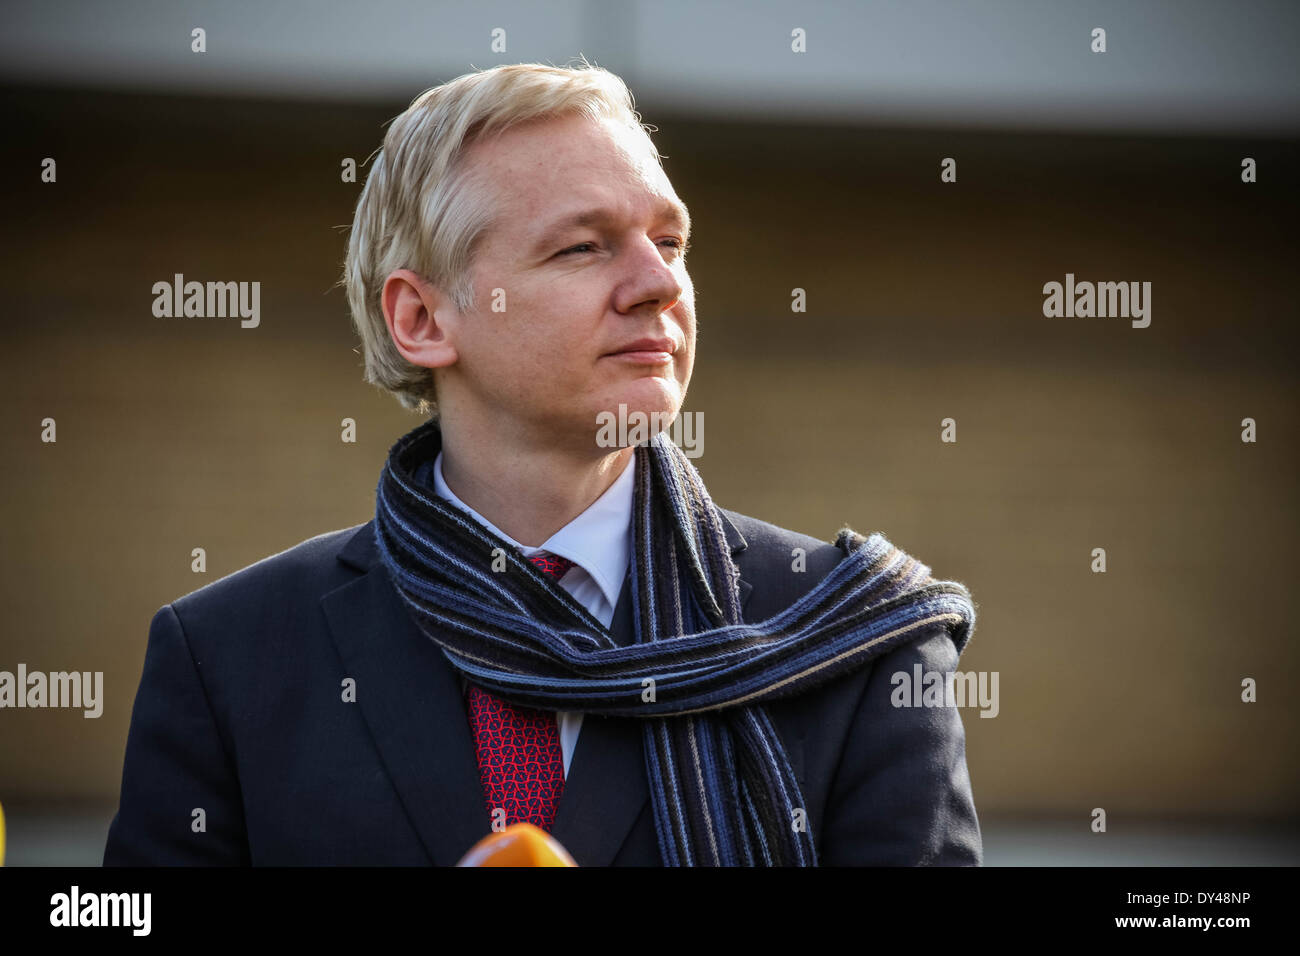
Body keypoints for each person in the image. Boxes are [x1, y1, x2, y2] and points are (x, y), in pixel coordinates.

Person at [104, 60, 982, 867]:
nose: (661, 285)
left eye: (669, 243)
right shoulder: (226, 661)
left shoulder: (861, 646)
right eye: (583, 246)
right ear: (423, 319)